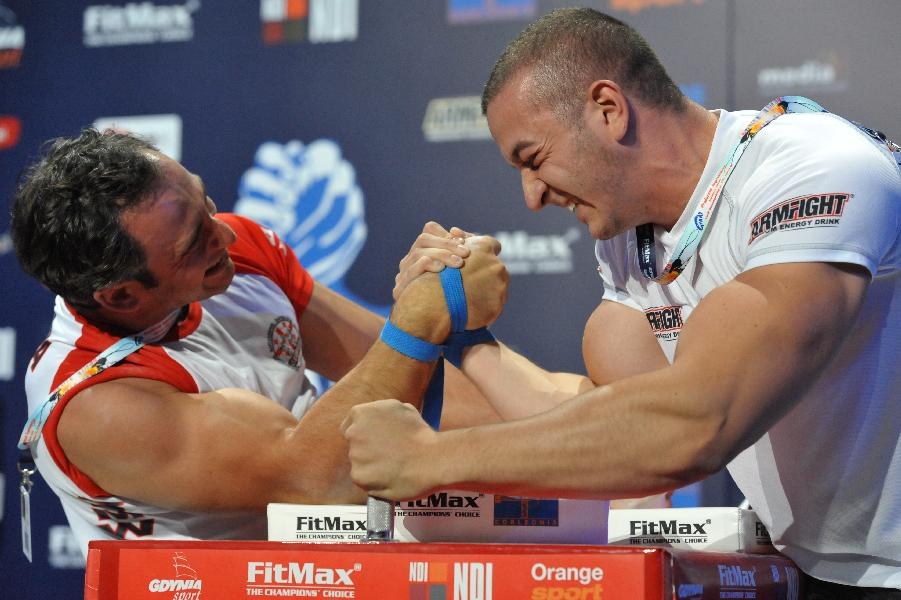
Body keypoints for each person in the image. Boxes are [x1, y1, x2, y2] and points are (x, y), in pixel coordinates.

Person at [341, 7, 901, 594]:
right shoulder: (631, 239)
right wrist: (463, 331)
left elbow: (695, 422)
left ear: (608, 109)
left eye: (534, 160)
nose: (531, 198)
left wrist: (431, 460)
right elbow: (612, 422)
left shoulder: (812, 170)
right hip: (818, 571)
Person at [11, 128, 507, 554]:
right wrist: (422, 314)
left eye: (205, 204)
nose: (224, 237)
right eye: (193, 243)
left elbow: (414, 376)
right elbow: (316, 481)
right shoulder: (95, 404)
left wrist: (549, 433)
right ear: (121, 295)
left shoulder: (236, 251)